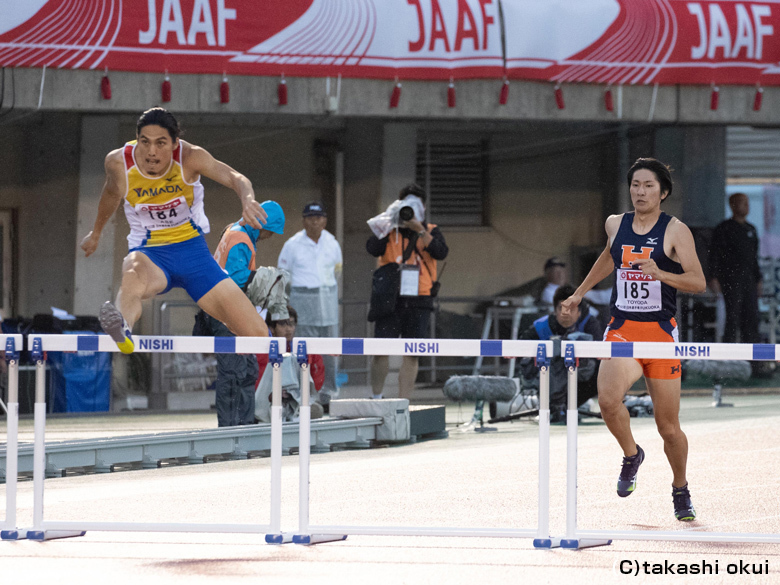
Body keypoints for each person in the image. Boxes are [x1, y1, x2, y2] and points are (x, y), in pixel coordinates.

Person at [561, 157, 706, 522]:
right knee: (608, 401)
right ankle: (631, 455)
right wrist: (579, 294)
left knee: (668, 427)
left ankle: (680, 488)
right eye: (635, 185)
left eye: (648, 186)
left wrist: (661, 273)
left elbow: (698, 282)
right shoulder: (615, 224)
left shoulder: (676, 231)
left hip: (659, 333)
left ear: (663, 193)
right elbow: (609, 259)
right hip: (623, 328)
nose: (640, 192)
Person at [80, 107, 270, 354]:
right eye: (144, 142)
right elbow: (111, 194)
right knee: (132, 275)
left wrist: (247, 199)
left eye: (161, 143)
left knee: (260, 337)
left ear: (175, 143)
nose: (151, 152)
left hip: (193, 254)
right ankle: (122, 329)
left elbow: (235, 177)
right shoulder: (118, 162)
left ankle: (275, 383)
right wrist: (96, 233)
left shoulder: (190, 157)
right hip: (149, 254)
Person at [196, 203, 285, 427]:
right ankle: (231, 432)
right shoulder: (239, 238)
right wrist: (263, 279)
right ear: (261, 225)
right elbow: (234, 277)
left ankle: (243, 428)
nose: (268, 238)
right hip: (226, 313)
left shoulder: (235, 232)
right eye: (269, 232)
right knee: (235, 373)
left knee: (246, 371)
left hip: (229, 311)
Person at [366, 183, 448, 400]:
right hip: (389, 298)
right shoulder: (389, 228)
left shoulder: (430, 230)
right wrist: (388, 222)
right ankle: (377, 398)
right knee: (381, 350)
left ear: (423, 207)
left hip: (420, 297)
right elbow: (372, 248)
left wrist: (418, 229)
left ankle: (404, 401)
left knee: (412, 353)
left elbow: (441, 252)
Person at [277, 202, 343, 408]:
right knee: (303, 348)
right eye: (310, 217)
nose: (315, 221)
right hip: (303, 297)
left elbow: (337, 271)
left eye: (319, 217)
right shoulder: (292, 244)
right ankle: (305, 395)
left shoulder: (332, 242)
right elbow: (283, 276)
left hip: (327, 297)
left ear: (325, 220)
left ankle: (329, 394)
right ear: (304, 220)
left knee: (330, 350)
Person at [518, 284, 603, 422]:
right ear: (554, 310)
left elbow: (600, 356)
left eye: (571, 308)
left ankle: (570, 405)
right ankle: (552, 406)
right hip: (547, 380)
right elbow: (520, 348)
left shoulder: (590, 325)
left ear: (579, 311)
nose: (565, 313)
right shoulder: (541, 326)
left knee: (602, 371)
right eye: (561, 308)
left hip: (580, 381)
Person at [255, 306, 325, 422]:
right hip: (268, 403)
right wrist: (272, 394)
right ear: (272, 328)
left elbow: (317, 377)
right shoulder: (263, 351)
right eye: (283, 324)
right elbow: (259, 386)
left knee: (315, 410)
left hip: (297, 401)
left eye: (291, 324)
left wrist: (299, 392)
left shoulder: (304, 350)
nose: (288, 329)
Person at [709, 192, 762, 344]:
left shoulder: (751, 229)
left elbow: (754, 258)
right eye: (741, 202)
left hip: (749, 280)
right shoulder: (724, 228)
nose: (746, 206)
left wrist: (758, 279)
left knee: (752, 318)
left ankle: (755, 363)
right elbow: (714, 255)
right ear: (732, 205)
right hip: (731, 280)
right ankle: (729, 361)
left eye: (747, 202)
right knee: (732, 318)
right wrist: (713, 277)